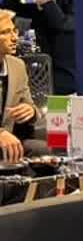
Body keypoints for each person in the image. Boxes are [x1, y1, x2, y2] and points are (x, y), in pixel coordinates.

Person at [2, 0, 77, 95]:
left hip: (67, 80)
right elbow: (7, 6)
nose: (39, 0)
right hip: (44, 77)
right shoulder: (40, 13)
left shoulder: (73, 18)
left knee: (57, 107)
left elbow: (59, 23)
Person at [0, 10, 40, 161]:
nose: (14, 38)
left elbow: (31, 106)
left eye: (14, 31)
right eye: (5, 32)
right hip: (4, 140)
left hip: (11, 142)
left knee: (53, 150)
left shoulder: (17, 66)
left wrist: (30, 111)